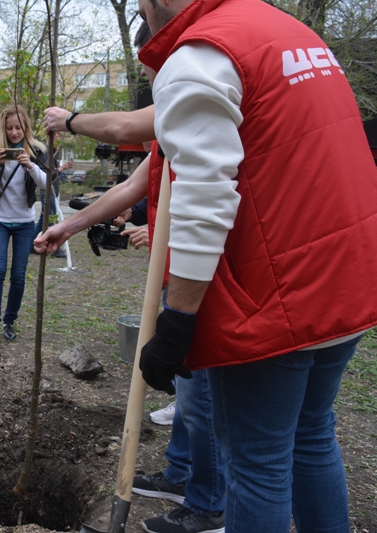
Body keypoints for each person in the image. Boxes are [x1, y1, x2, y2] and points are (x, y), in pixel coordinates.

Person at [131, 0, 376, 531]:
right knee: (312, 434)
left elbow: (204, 196)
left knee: (258, 461)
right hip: (347, 278)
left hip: (276, 300)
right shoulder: (289, 32)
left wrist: (179, 317)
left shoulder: (199, 55)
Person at [42, 22, 228, 533]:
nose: (148, 72)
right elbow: (136, 181)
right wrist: (72, 224)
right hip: (181, 273)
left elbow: (124, 129)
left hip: (207, 277)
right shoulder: (179, 109)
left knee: (201, 395)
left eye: (150, 62)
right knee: (192, 395)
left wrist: (71, 119)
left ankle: (209, 502)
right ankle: (184, 475)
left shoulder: (193, 82)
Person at [0, 104, 48, 342]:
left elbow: (47, 183)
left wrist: (30, 165)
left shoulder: (36, 150)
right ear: (3, 129)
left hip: (25, 222)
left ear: (26, 127)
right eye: (10, 128)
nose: (15, 133)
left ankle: (9, 322)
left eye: (19, 127)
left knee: (18, 275)